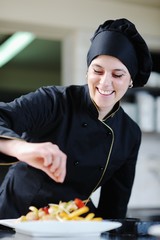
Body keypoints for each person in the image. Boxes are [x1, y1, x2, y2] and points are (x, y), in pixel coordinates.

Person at [0, 18, 152, 219]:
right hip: (14, 216)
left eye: (118, 75)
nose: (105, 83)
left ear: (131, 80)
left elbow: (114, 206)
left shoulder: (129, 133)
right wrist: (22, 149)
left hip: (73, 221)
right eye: (97, 70)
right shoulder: (54, 100)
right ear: (88, 70)